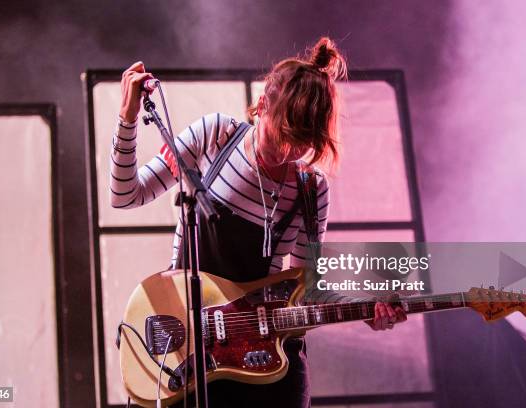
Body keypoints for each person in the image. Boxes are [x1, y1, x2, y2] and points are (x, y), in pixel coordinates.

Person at [110, 37, 407, 408]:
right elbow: (126, 195)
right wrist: (127, 119)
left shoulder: (311, 189)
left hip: (264, 350)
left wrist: (366, 309)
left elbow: (306, 289)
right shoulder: (215, 136)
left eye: (301, 144)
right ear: (262, 104)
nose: (288, 152)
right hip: (189, 336)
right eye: (283, 136)